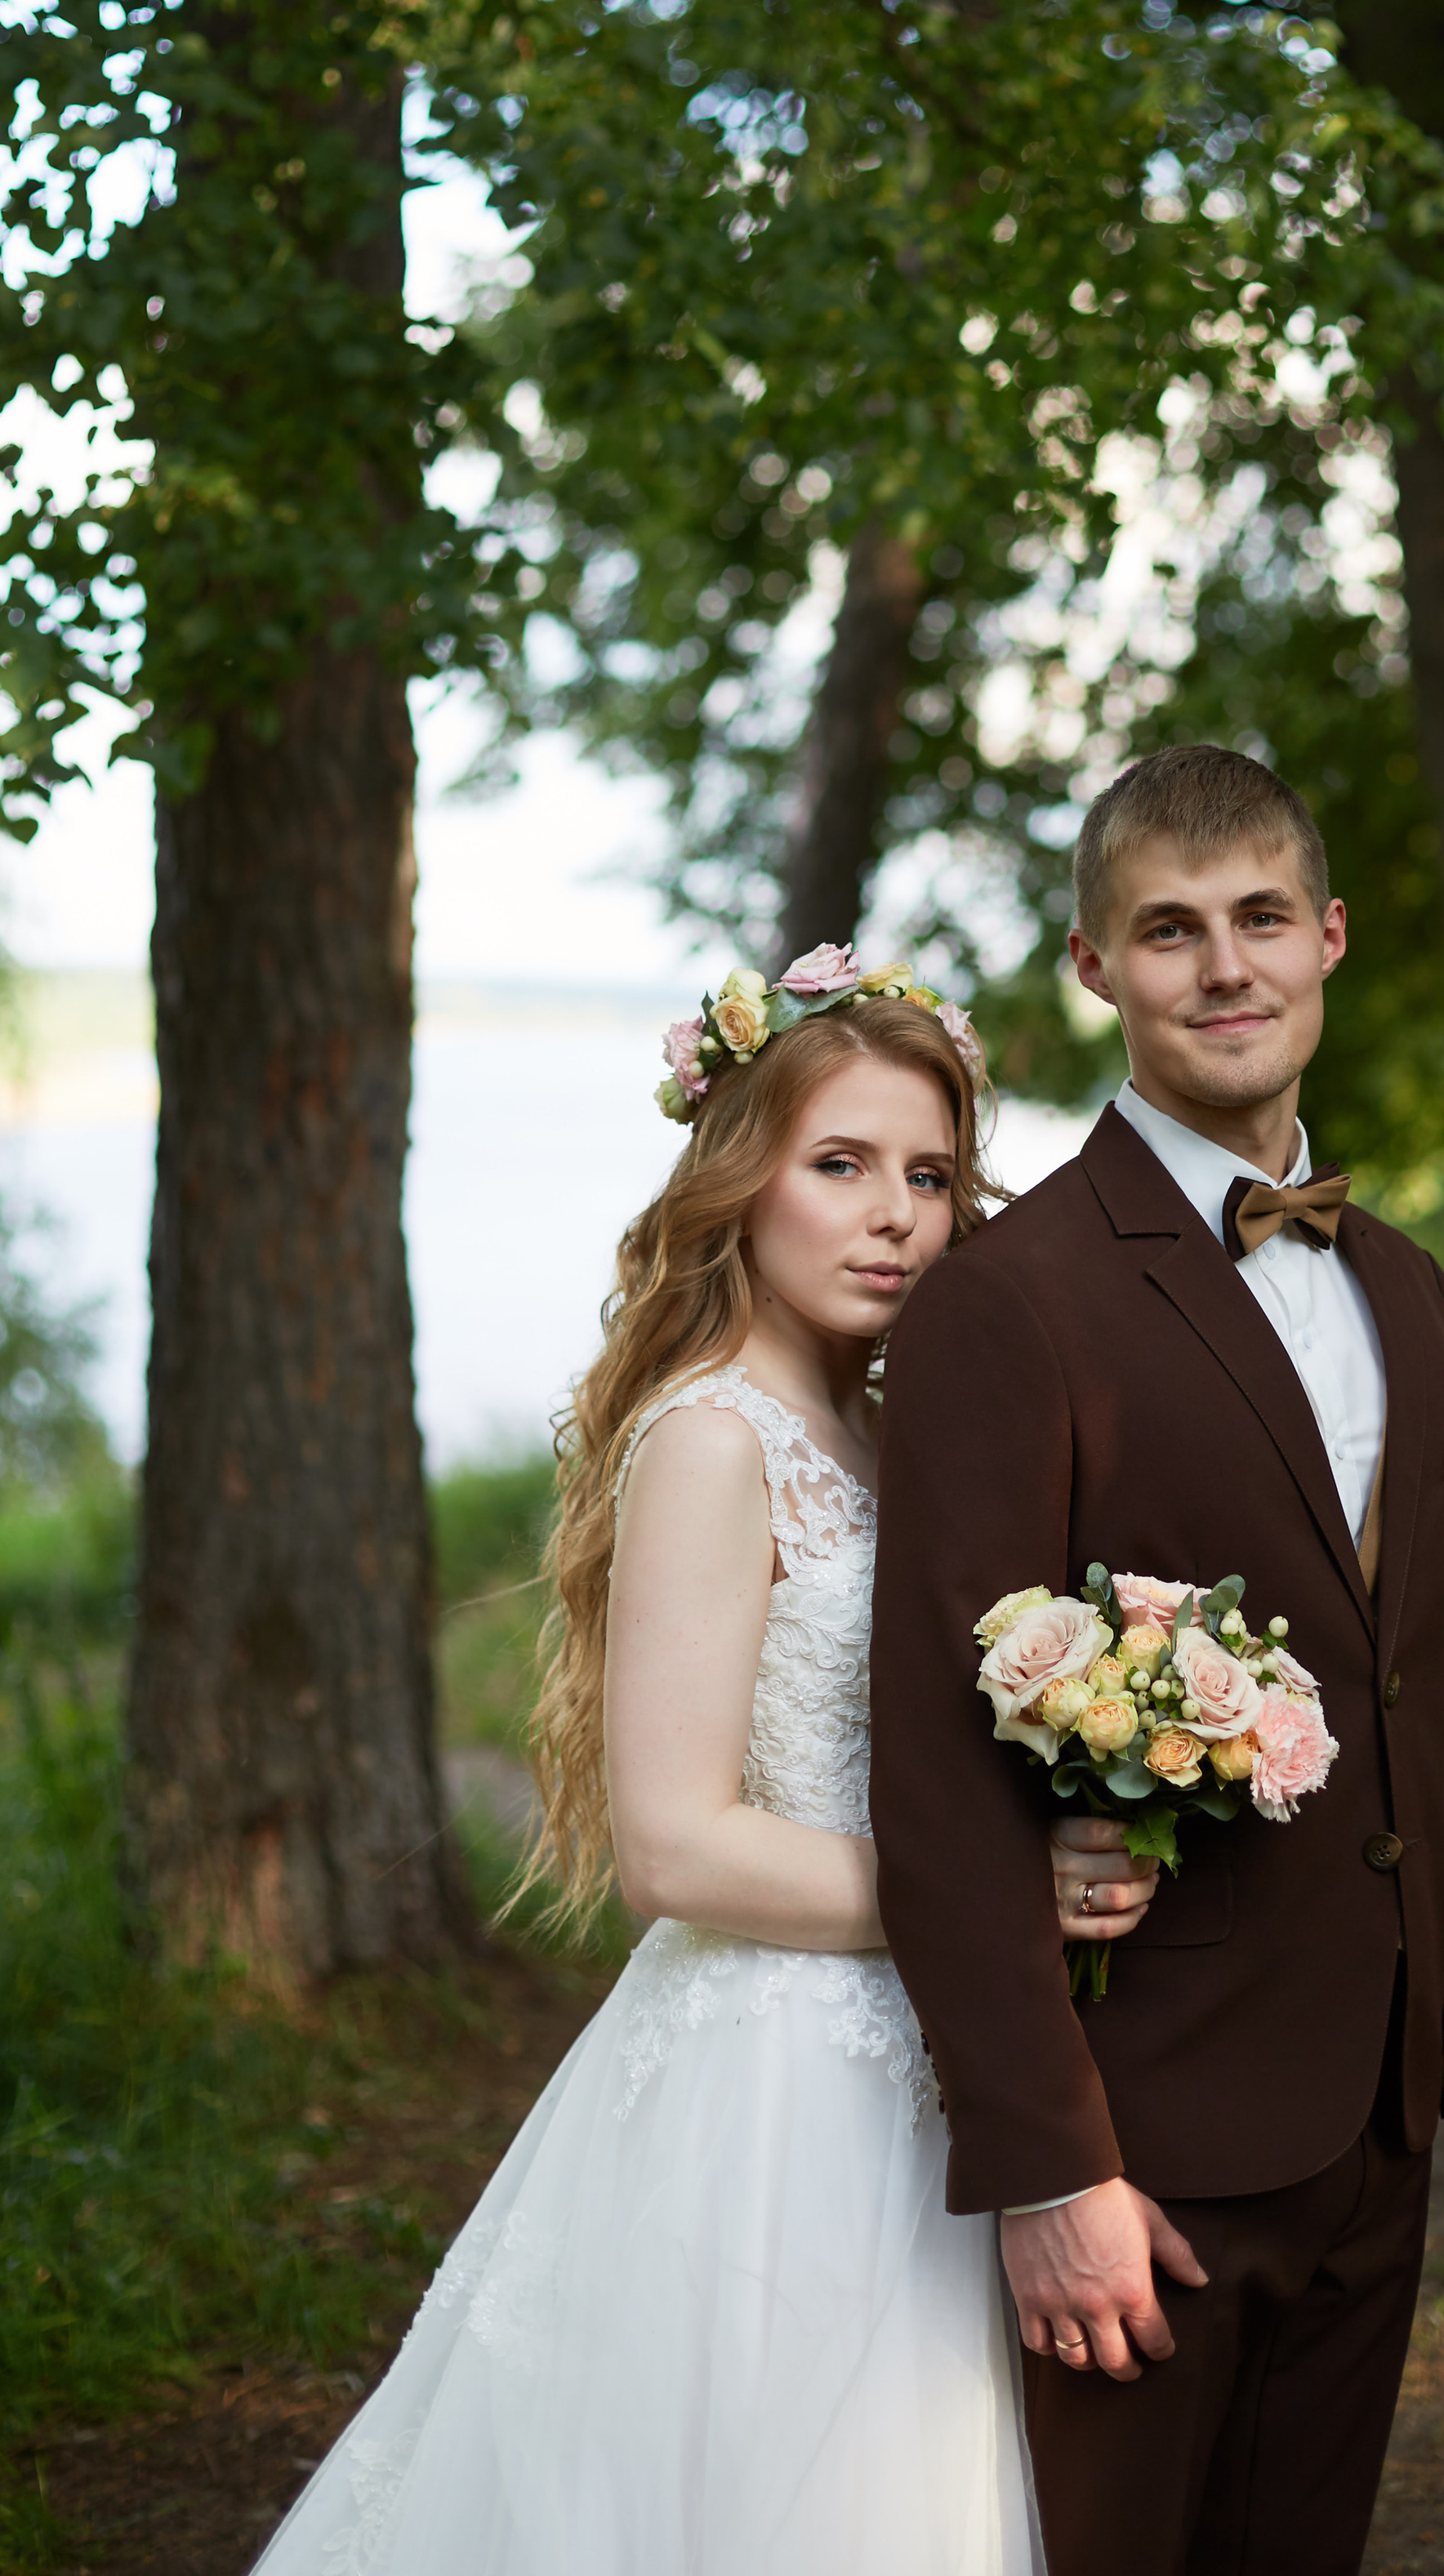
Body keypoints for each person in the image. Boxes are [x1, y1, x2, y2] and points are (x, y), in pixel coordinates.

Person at [249, 952, 1143, 2576]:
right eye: (839, 1166)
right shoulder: (711, 1439)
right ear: (740, 1178)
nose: (892, 1217)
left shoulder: (883, 1431)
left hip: (932, 2054)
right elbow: (672, 1848)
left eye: (929, 1176)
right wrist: (997, 1895)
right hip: (779, 2089)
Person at [871, 743, 1444, 2576]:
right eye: (1168, 932)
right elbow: (938, 1770)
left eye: (1260, 918)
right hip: (1146, 2127)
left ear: (1326, 936)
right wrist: (1045, 2162)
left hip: (1376, 2109)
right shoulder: (1006, 1301)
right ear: (1095, 969)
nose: (1223, 967)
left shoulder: (1404, 1288)